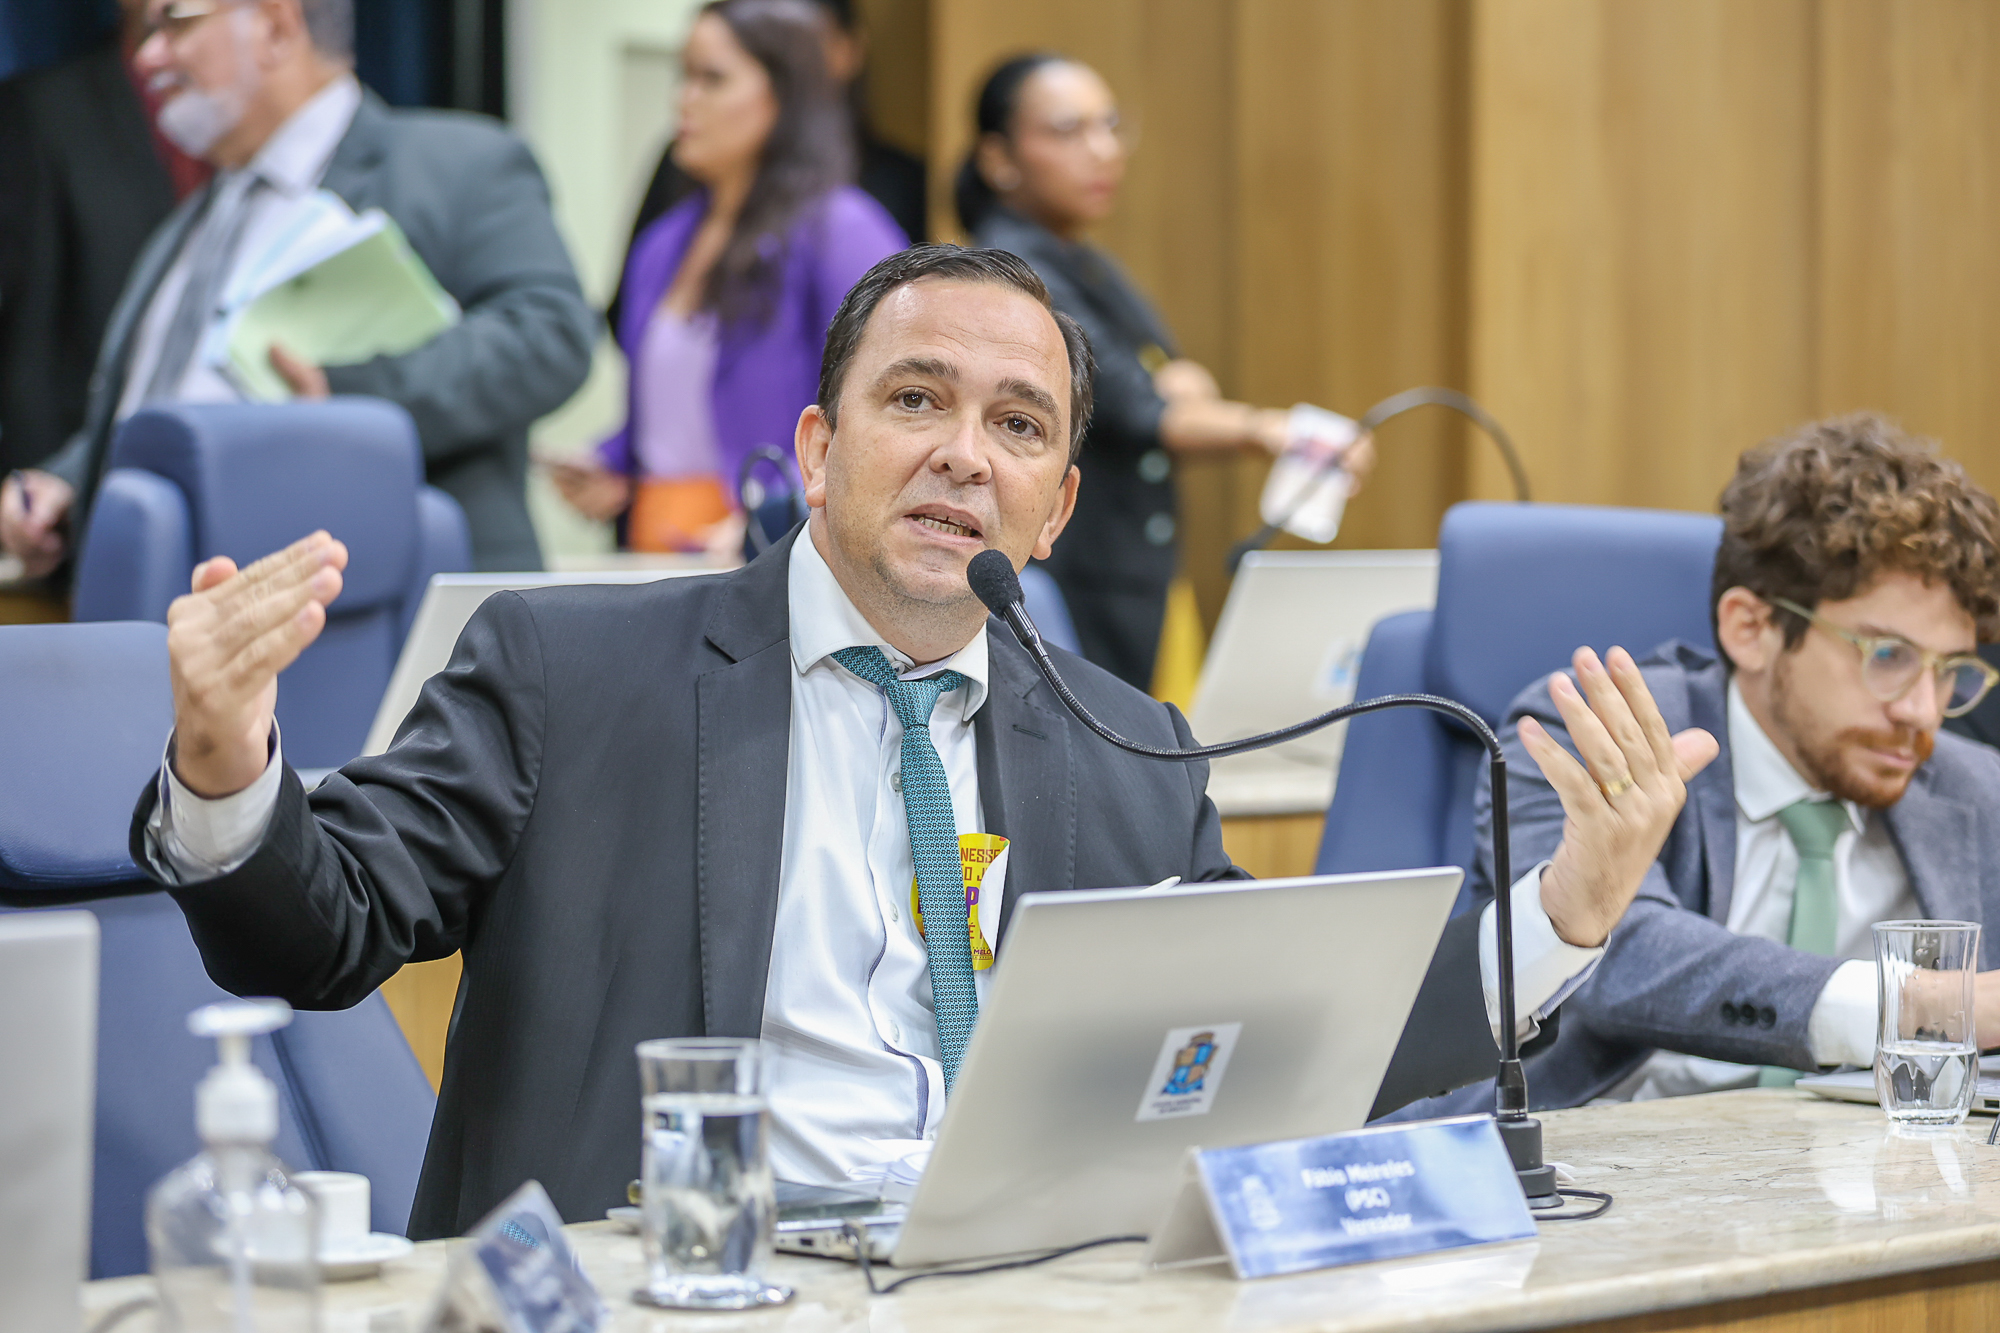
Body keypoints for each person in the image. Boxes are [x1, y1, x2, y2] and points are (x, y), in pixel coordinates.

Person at [134, 244, 1710, 1236]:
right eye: (917, 401)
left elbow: (1297, 1043)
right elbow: (318, 934)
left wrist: (1571, 907)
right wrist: (225, 758)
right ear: (819, 449)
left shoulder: (1126, 743)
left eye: (1019, 426)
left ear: (1057, 505)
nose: (967, 454)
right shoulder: (569, 669)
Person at [1400, 414, 2000, 1117]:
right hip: (1600, 1157)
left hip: (1868, 1169)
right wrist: (1922, 1003)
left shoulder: (1972, 788)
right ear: (1751, 627)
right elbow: (1617, 955)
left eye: (1950, 669)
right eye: (1888, 656)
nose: (1924, 711)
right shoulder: (1602, 736)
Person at [0, 0, 593, 575]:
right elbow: (172, 403)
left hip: (367, 602)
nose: (148, 56)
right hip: (167, 605)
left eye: (175, 22)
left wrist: (342, 395)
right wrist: (68, 481)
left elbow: (551, 334)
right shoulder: (190, 222)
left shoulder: (456, 166)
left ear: (276, 27)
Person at [959, 53, 1376, 690]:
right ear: (998, 158)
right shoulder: (1012, 271)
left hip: (1134, 574)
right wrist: (1271, 430)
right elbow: (1140, 407)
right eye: (1068, 131)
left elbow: (1179, 384)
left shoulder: (1082, 260)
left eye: (1111, 126)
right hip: (1076, 576)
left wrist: (1178, 393)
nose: (1103, 150)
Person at [549, 0, 905, 555]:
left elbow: (893, 405)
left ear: (785, 95)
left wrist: (779, 509)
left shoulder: (842, 227)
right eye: (684, 76)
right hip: (656, 541)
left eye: (712, 79)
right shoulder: (663, 243)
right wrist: (610, 461)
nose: (684, 99)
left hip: (784, 546)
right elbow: (673, 416)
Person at [0, 0, 204, 477]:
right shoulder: (40, 111)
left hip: (211, 460)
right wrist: (42, 480)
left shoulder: (247, 129)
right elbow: (28, 330)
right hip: (75, 476)